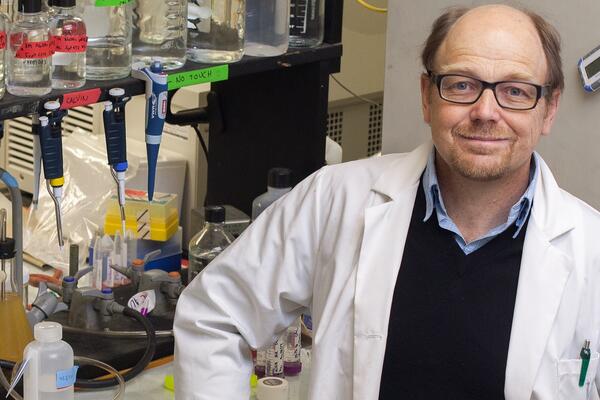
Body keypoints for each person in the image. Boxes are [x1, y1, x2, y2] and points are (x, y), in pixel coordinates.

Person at [174, 4, 600, 399]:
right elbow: (214, 318)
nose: (486, 111)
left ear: (548, 110)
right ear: (426, 96)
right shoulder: (335, 200)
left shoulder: (591, 249)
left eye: (515, 91)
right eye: (461, 84)